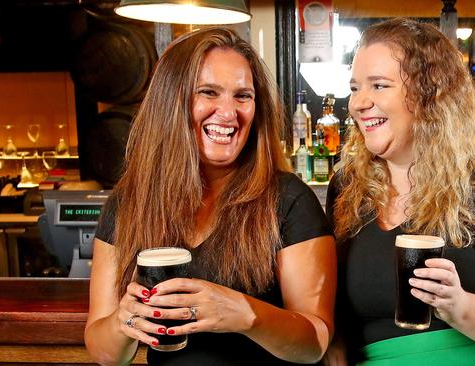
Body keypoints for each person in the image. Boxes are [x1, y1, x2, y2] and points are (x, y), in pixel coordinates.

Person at [85, 27, 336, 365]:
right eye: (209, 92)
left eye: (242, 96)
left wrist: (247, 314)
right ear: (170, 102)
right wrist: (125, 321)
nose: (229, 112)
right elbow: (105, 354)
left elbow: (314, 343)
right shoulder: (130, 203)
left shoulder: (287, 200)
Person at [323, 18, 475, 365]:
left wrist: (459, 307)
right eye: (355, 87)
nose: (359, 102)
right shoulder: (347, 187)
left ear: (430, 93)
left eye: (378, 86)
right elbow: (339, 318)